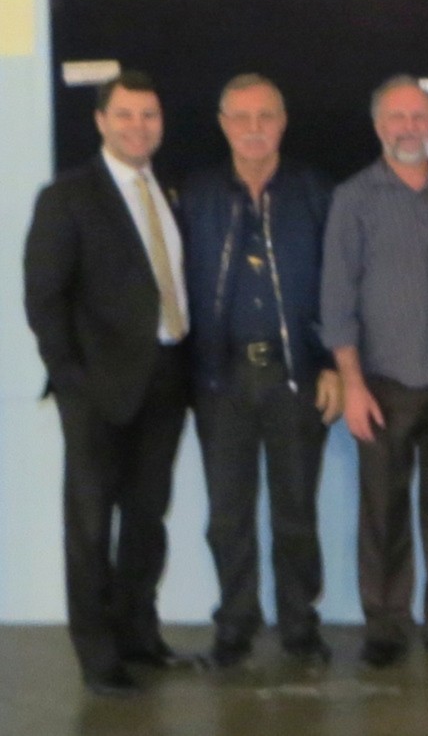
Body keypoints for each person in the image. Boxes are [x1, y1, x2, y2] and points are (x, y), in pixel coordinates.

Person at [23, 70, 192, 696]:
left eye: (149, 115)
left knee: (147, 519)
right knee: (91, 527)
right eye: (124, 114)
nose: (137, 126)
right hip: (97, 390)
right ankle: (98, 657)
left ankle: (138, 634)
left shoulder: (166, 189)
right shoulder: (66, 196)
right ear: (100, 121)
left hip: (167, 380)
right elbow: (44, 298)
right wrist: (72, 380)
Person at [321, 74, 428, 669]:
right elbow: (336, 299)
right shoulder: (353, 198)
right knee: (383, 513)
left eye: (418, 116)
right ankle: (386, 627)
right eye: (397, 117)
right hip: (382, 385)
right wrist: (352, 385)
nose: (408, 127)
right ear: (378, 126)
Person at [182, 74, 341, 669]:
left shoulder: (316, 192)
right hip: (219, 380)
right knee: (228, 515)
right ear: (223, 124)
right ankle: (235, 624)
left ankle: (300, 625)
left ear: (283, 121)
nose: (254, 128)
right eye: (241, 117)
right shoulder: (194, 194)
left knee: (295, 510)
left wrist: (333, 363)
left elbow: (340, 284)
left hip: (295, 377)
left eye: (265, 116)